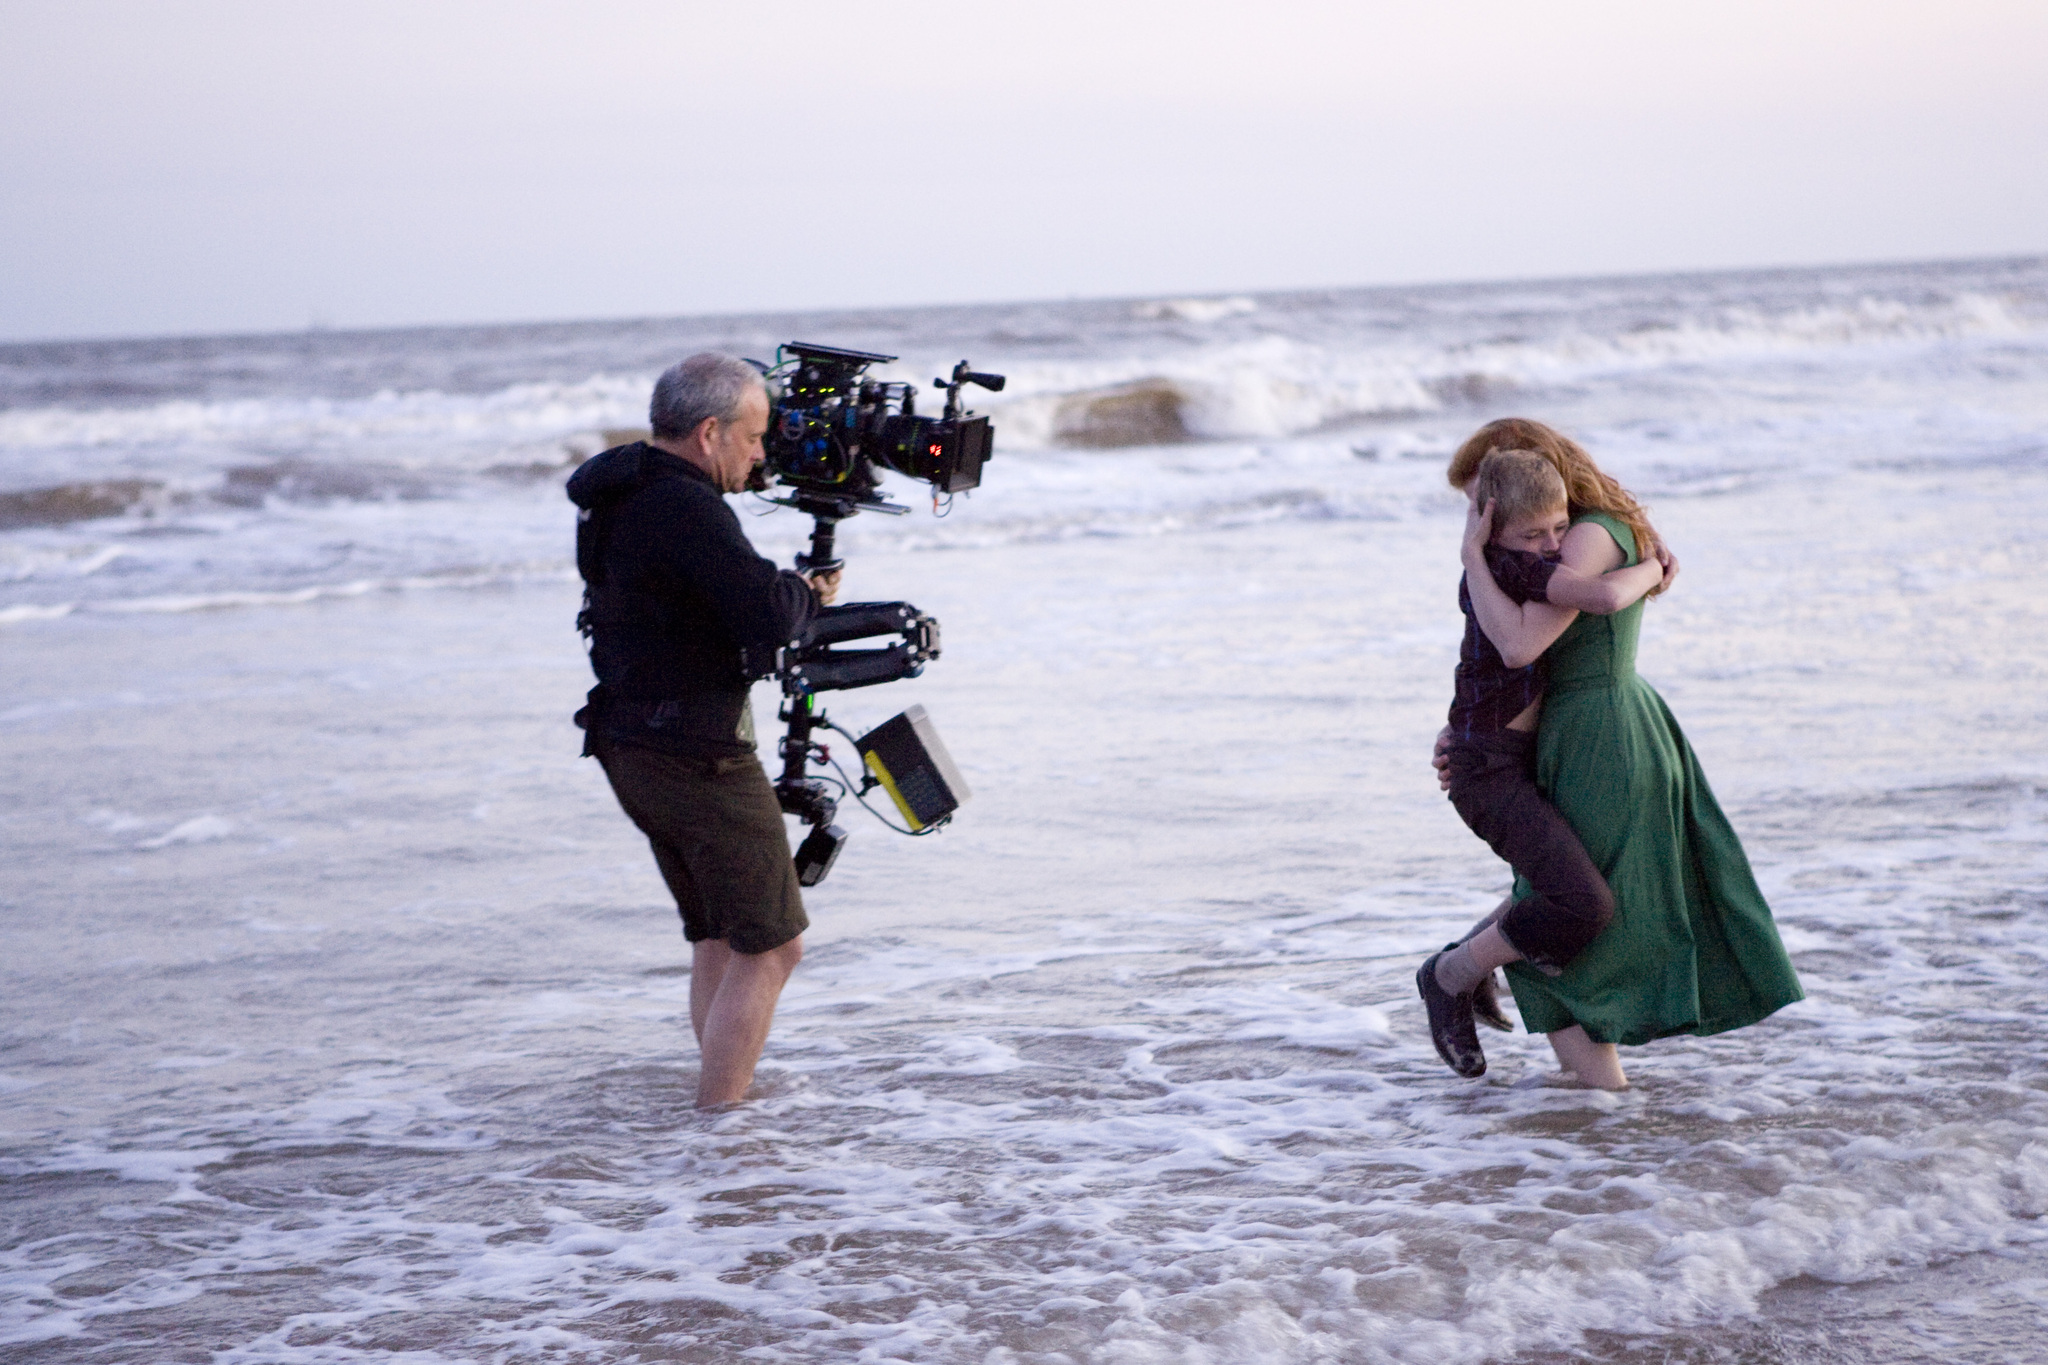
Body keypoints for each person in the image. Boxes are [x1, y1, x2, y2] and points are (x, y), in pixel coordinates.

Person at [1431, 418, 1803, 1089]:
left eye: (1482, 502)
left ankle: (1468, 979)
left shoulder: (1586, 536)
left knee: (1581, 902)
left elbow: (1522, 646)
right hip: (1581, 730)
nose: (1477, 522)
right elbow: (1499, 662)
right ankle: (1599, 1099)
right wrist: (1463, 730)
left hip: (1597, 736)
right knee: (1574, 897)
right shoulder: (1578, 533)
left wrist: (1474, 562)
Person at [566, 352, 840, 1107]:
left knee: (719, 934)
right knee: (775, 945)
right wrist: (802, 591)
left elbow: (689, 602)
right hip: (694, 753)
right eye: (754, 439)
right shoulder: (684, 506)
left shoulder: (621, 489)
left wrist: (778, 592)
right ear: (711, 431)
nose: (762, 457)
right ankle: (723, 1120)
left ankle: (720, 1103)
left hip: (633, 741)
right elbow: (765, 614)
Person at [1416, 449, 1669, 1079]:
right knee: (1582, 901)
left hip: (1510, 759)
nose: (1553, 545)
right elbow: (1605, 597)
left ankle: (1529, 951)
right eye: (1534, 533)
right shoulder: (1514, 567)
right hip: (1487, 771)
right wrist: (1656, 566)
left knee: (1571, 894)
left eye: (1559, 528)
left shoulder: (1520, 558)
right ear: (1490, 526)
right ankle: (1451, 975)